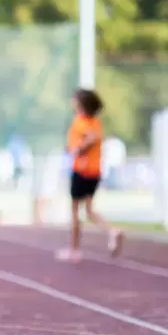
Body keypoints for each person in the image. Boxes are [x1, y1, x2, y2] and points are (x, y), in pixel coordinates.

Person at [56, 88, 123, 263]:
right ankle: (111, 231)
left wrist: (79, 148)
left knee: (75, 211)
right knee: (90, 210)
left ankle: (74, 250)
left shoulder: (81, 121)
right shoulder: (95, 122)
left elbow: (92, 138)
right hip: (95, 171)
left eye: (75, 99)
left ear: (80, 103)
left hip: (82, 170)